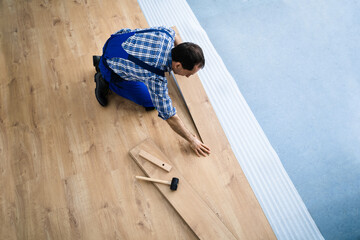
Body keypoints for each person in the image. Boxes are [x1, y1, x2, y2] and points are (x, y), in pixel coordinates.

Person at [93, 26, 210, 157]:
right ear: (178, 65)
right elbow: (169, 116)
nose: (188, 77)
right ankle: (103, 78)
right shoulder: (155, 78)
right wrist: (192, 140)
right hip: (111, 66)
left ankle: (103, 61)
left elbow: (175, 34)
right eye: (189, 73)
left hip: (115, 41)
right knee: (150, 102)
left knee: (139, 72)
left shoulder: (166, 35)